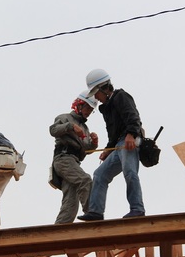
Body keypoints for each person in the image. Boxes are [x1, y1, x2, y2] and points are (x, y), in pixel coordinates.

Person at [77, 69, 145, 221]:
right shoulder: (107, 108)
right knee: (100, 174)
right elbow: (114, 135)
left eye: (96, 93)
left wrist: (131, 134)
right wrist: (108, 150)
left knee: (130, 171)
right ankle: (96, 212)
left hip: (130, 141)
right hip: (120, 144)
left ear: (104, 88)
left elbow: (133, 117)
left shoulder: (121, 96)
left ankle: (137, 209)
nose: (96, 97)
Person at [50, 90, 99, 224]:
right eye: (87, 107)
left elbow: (86, 149)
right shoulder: (64, 117)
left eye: (91, 109)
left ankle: (58, 234)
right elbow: (53, 130)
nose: (89, 111)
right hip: (63, 159)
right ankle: (92, 214)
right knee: (85, 180)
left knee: (70, 203)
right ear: (79, 105)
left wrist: (94, 144)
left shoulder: (85, 128)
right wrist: (70, 126)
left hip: (73, 162)